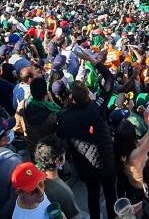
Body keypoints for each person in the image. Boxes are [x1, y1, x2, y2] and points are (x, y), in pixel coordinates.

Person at [56, 82, 116, 219]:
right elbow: (109, 80)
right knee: (110, 194)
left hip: (85, 166)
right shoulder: (96, 107)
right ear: (87, 95)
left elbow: (60, 136)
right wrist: (89, 59)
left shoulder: (63, 116)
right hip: (106, 161)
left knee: (93, 195)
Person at [32, 137, 79, 219]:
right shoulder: (63, 192)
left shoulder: (33, 173)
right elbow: (75, 217)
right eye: (64, 154)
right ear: (58, 161)